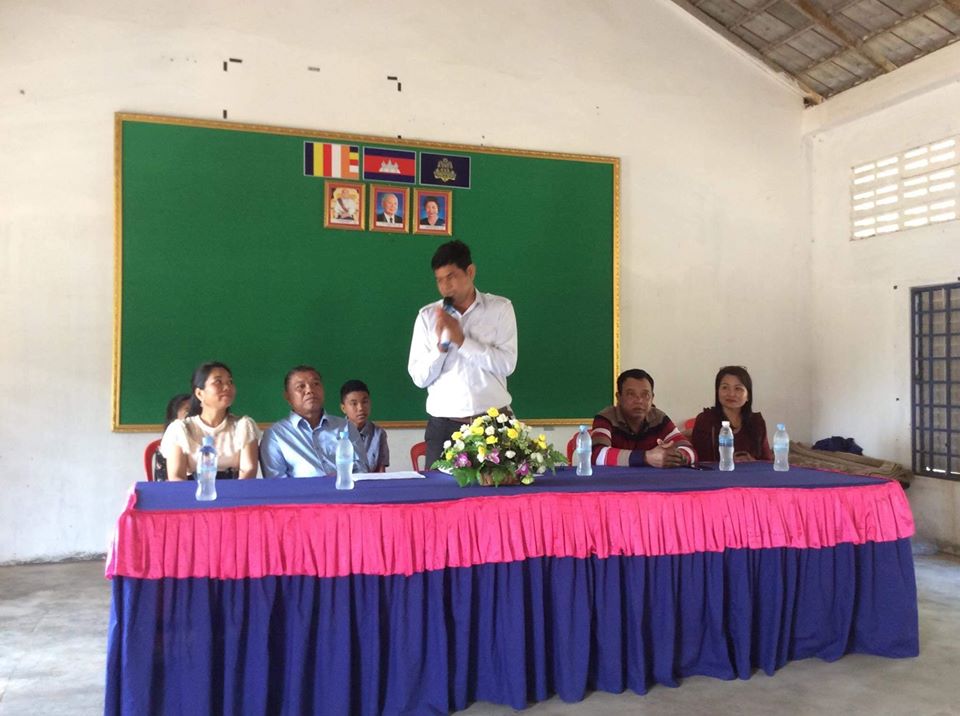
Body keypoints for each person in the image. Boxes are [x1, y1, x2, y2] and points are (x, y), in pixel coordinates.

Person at [407, 240, 518, 467]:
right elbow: (419, 378)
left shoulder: (500, 309)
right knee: (438, 490)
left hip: (493, 423)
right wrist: (441, 347)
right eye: (439, 280)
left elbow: (507, 364)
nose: (445, 286)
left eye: (451, 277)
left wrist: (463, 341)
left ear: (470, 272)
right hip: (444, 427)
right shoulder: (428, 317)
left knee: (498, 489)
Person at [159, 362, 260, 480]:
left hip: (236, 490)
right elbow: (176, 477)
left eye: (230, 382)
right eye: (218, 382)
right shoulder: (180, 430)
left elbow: (249, 471)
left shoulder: (244, 426)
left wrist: (231, 492)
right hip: (192, 490)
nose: (227, 387)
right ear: (199, 393)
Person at [591, 369, 697, 468]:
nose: (639, 400)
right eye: (631, 394)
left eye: (645, 395)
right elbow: (596, 454)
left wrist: (675, 457)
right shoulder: (606, 417)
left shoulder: (659, 418)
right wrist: (645, 458)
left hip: (652, 480)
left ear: (652, 398)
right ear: (619, 397)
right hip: (614, 480)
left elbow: (690, 451)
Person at [260, 365, 351, 478]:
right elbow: (276, 482)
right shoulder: (275, 435)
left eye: (316, 384)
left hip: (346, 488)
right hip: (303, 490)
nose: (310, 390)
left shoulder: (346, 426)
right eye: (301, 386)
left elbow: (361, 471)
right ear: (287, 396)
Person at [691, 366, 772, 462]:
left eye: (738, 388)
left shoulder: (756, 422)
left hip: (751, 471)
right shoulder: (706, 420)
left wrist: (753, 462)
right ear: (717, 392)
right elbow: (700, 461)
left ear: (748, 396)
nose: (731, 394)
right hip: (718, 471)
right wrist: (728, 461)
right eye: (725, 387)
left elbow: (767, 462)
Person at [340, 379, 390, 472]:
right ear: (343, 408)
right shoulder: (335, 432)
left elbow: (381, 471)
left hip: (370, 481)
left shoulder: (379, 434)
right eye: (354, 403)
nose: (361, 408)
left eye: (364, 402)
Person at [153, 393, 191, 481]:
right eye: (187, 410)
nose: (193, 415)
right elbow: (166, 484)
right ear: (174, 416)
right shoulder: (168, 445)